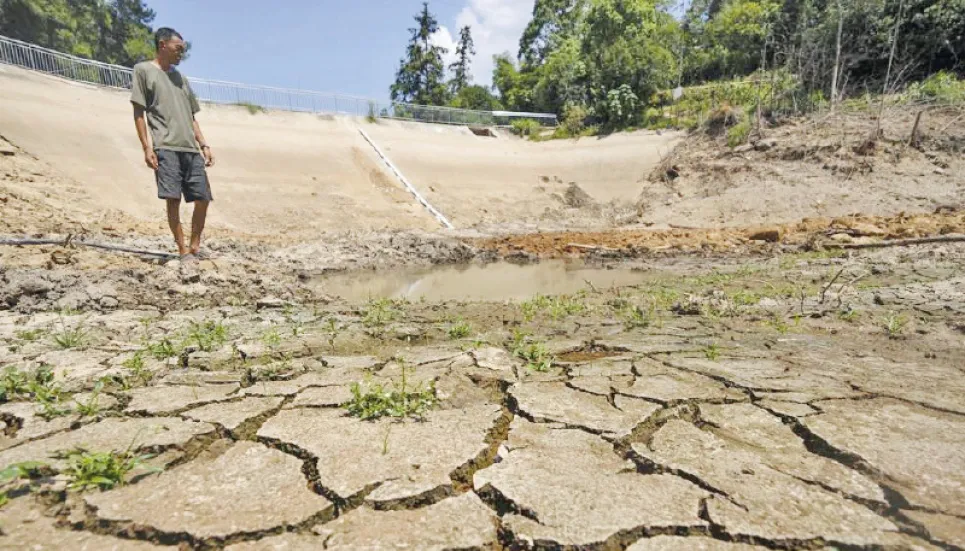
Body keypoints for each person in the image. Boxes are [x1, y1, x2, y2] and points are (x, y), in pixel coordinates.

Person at [131, 27, 215, 263]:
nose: (181, 54)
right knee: (173, 200)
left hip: (190, 147)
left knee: (203, 198)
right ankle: (182, 250)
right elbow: (138, 110)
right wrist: (146, 147)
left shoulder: (181, 78)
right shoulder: (143, 71)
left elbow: (192, 116)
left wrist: (204, 144)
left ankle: (195, 246)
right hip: (165, 147)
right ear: (162, 45)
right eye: (178, 49)